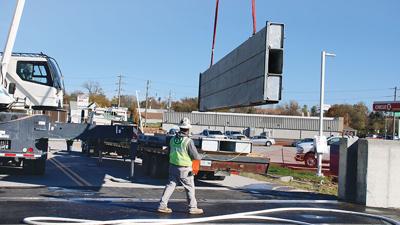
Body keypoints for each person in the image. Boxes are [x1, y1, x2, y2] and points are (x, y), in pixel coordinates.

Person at [158, 117, 203, 215]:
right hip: (185, 169)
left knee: (170, 186)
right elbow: (195, 156)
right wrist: (200, 156)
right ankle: (193, 207)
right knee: (190, 188)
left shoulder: (173, 139)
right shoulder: (188, 141)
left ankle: (162, 205)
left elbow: (169, 152)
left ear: (180, 128)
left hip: (173, 166)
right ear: (188, 129)